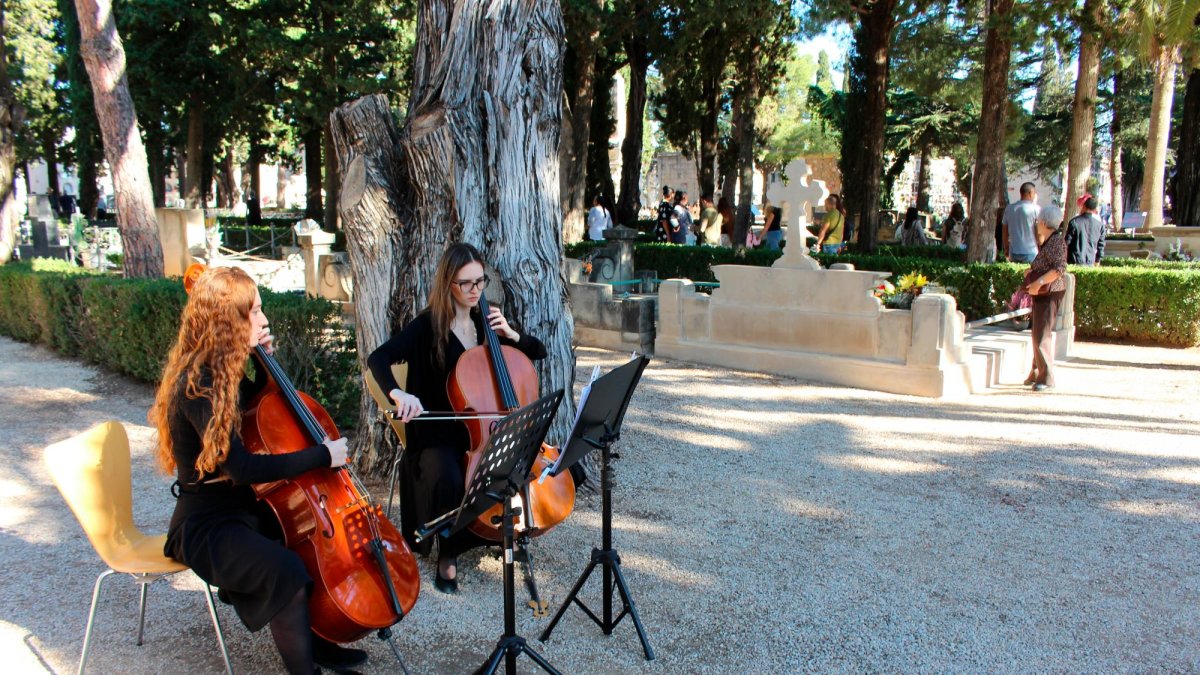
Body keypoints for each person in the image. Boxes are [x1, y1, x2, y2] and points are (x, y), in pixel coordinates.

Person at [153, 266, 363, 674]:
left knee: (306, 545)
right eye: (253, 312)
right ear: (225, 320)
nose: (264, 319)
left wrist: (264, 361)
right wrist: (322, 456)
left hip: (243, 511)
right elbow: (243, 467)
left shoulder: (224, 372)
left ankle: (317, 642)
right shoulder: (198, 385)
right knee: (286, 571)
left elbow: (261, 407)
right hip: (206, 527)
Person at [367, 243, 547, 594]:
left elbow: (537, 352)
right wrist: (398, 394)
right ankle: (447, 555)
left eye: (480, 281)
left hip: (478, 427)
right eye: (466, 283)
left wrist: (512, 335)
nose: (475, 290)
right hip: (437, 430)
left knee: (522, 458)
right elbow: (378, 359)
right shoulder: (427, 326)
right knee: (448, 473)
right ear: (448, 283)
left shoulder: (486, 320)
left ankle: (501, 532)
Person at [1023, 204, 1068, 392]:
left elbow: (1059, 269)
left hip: (1049, 292)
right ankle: (1036, 371)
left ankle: (1046, 377)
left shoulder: (1056, 242)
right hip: (1044, 292)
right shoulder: (1050, 240)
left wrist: (1038, 282)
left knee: (1042, 333)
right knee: (1038, 332)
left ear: (1043, 222)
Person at [1002, 182, 1040, 262]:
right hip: (1031, 251)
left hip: (1014, 251)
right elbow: (1039, 231)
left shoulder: (1009, 208)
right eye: (1034, 193)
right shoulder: (1036, 209)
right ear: (1030, 193)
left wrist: (1006, 247)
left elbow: (1004, 230)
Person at [1065, 196, 1106, 266]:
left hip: (1074, 261)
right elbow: (1101, 245)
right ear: (1094, 209)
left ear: (1084, 206)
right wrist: (1097, 260)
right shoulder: (1100, 225)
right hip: (1090, 261)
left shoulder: (1074, 222)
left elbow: (1067, 242)